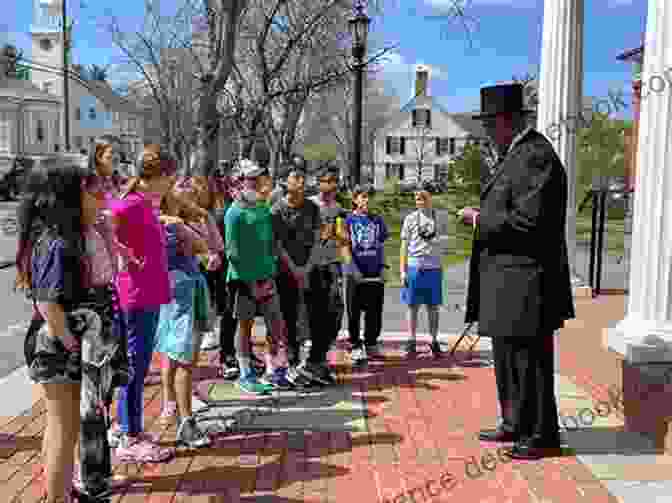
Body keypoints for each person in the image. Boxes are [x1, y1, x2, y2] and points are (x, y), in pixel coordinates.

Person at [459, 82, 575, 460]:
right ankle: (514, 422)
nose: (487, 133)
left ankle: (541, 435)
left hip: (528, 281)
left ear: (508, 120)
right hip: (508, 281)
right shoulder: (516, 154)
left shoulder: (535, 155)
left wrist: (480, 220)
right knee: (508, 358)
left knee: (530, 362)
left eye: (490, 124)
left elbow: (530, 220)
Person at [19, 156, 129, 502]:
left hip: (73, 344)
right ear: (67, 196)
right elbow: (47, 302)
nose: (99, 198)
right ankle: (57, 495)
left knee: (62, 428)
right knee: (62, 430)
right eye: (90, 192)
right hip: (62, 346)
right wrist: (69, 343)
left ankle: (63, 491)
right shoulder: (56, 242)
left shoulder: (70, 237)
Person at [105, 144, 178, 463]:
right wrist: (123, 255)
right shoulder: (131, 204)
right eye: (170, 177)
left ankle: (130, 428)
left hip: (148, 293)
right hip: (136, 296)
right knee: (133, 367)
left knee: (137, 365)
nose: (172, 184)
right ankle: (128, 436)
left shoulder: (145, 203)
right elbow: (103, 225)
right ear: (158, 175)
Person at [224, 160, 292, 393]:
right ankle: (245, 373)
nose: (254, 182)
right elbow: (232, 253)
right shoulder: (233, 213)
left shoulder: (262, 208)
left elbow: (271, 242)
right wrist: (252, 284)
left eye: (256, 178)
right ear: (239, 181)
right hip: (243, 279)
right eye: (249, 178)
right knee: (245, 326)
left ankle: (273, 370)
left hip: (266, 277)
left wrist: (270, 269)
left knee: (276, 324)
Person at [154, 190, 213, 448]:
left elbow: (206, 246)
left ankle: (172, 406)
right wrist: (186, 221)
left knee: (171, 355)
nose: (187, 199)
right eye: (181, 196)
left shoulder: (173, 223)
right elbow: (203, 245)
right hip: (181, 295)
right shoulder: (170, 225)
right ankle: (186, 421)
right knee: (185, 360)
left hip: (180, 291)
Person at [291, 162, 348, 386]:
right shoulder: (309, 205)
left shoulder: (338, 209)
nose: (331, 186)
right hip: (309, 266)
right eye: (326, 181)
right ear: (319, 183)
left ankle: (319, 358)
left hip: (331, 265)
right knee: (308, 314)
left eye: (334, 181)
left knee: (334, 311)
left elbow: (344, 239)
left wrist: (336, 235)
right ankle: (304, 362)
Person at [271, 167, 321, 368]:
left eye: (303, 178)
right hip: (285, 270)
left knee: (314, 312)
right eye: (295, 178)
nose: (300, 182)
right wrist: (294, 268)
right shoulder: (276, 210)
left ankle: (315, 360)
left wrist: (307, 267)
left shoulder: (312, 208)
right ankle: (290, 357)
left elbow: (317, 239)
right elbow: (278, 244)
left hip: (309, 268)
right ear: (285, 182)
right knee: (288, 314)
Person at [344, 185, 388, 363]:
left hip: (374, 273)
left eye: (369, 197)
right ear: (355, 199)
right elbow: (344, 246)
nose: (367, 200)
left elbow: (381, 244)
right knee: (354, 312)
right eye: (363, 196)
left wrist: (384, 266)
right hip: (355, 273)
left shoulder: (377, 220)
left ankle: (371, 343)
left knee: (374, 312)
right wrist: (352, 267)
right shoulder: (348, 220)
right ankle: (355, 345)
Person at [399, 188, 443, 358]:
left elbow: (446, 241)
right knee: (412, 305)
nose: (421, 201)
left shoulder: (439, 218)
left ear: (431, 198)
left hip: (434, 267)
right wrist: (402, 270)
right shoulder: (410, 219)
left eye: (424, 197)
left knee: (433, 306)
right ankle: (411, 340)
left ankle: (433, 340)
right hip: (414, 266)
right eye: (417, 198)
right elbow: (404, 245)